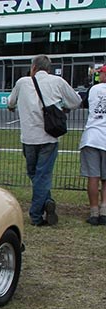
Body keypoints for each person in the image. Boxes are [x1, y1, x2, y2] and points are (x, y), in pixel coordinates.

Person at [7, 55, 81, 226]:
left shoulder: (22, 82)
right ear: (48, 68)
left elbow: (10, 102)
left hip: (29, 137)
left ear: (33, 67)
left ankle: (36, 214)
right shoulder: (58, 81)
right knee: (42, 175)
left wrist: (12, 106)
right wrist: (61, 105)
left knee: (35, 174)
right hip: (49, 137)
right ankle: (46, 201)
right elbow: (76, 101)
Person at [79, 65, 106, 225]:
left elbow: (83, 103)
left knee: (93, 177)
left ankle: (94, 212)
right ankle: (104, 210)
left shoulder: (93, 90)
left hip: (92, 137)